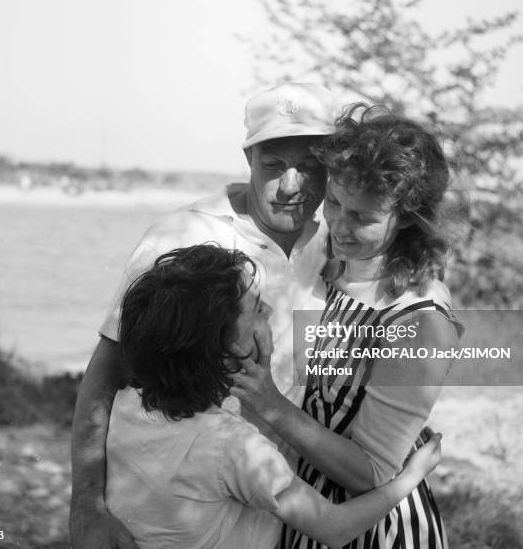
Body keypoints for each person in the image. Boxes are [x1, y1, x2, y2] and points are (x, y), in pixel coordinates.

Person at [70, 82, 338, 548]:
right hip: (172, 522)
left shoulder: (337, 245)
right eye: (274, 165)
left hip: (281, 516)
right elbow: (109, 367)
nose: (292, 186)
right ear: (249, 156)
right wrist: (88, 507)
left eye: (311, 167)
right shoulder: (181, 236)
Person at [231, 104, 464, 548]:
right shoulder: (333, 258)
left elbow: (371, 473)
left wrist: (269, 404)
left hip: (372, 528)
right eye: (335, 202)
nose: (338, 224)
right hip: (307, 513)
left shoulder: (420, 321)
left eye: (362, 217)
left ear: (408, 219)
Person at [107, 243, 443, 549]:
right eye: (255, 309)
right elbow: (335, 528)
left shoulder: (125, 406)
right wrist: (411, 477)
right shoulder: (235, 448)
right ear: (226, 352)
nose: (268, 310)